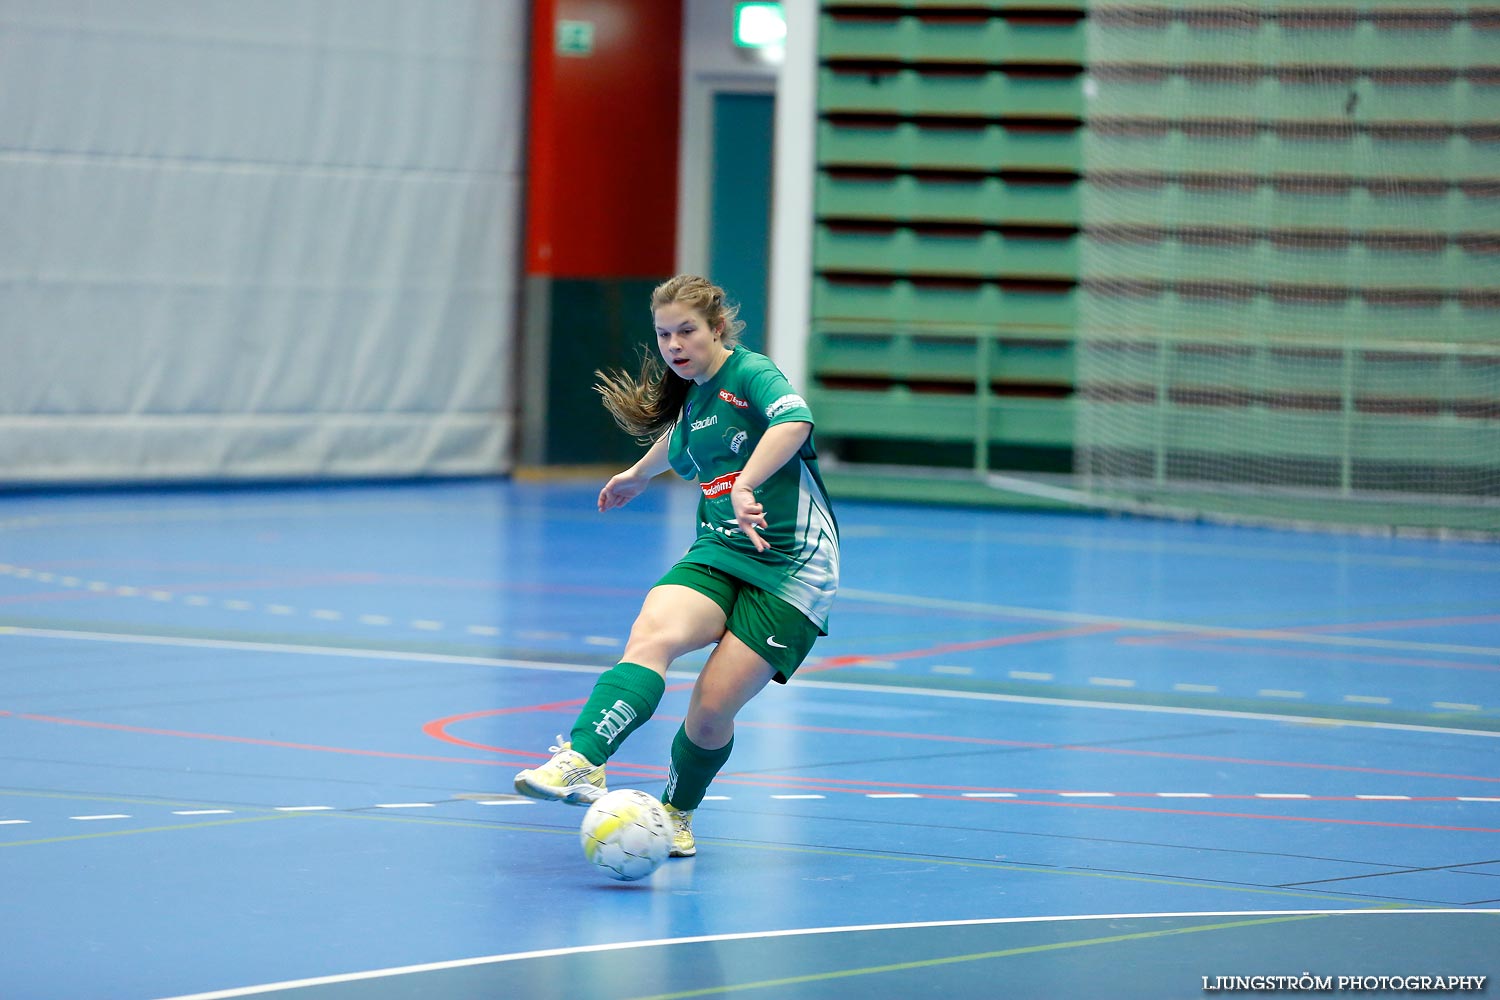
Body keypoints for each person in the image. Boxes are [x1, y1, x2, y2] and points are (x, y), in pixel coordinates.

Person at [514, 274, 839, 858]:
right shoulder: (692, 392)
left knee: (711, 711)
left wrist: (745, 484)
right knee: (652, 634)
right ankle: (584, 760)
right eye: (664, 335)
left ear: (717, 328)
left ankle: (676, 812)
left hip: (792, 565)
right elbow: (679, 436)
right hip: (720, 547)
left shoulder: (749, 373)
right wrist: (638, 475)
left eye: (686, 331)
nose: (674, 345)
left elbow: (795, 421)